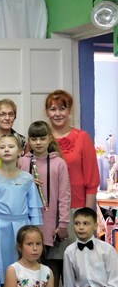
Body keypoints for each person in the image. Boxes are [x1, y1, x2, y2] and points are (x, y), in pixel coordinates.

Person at [0, 135, 43, 283]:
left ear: (20, 151)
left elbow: (33, 207)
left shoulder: (27, 178)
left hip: (23, 226)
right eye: (2, 147)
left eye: (11, 146)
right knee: (1, 263)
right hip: (0, 227)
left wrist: (34, 230)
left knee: (24, 260)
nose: (6, 150)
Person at [19, 120, 70, 287]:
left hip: (51, 224)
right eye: (34, 139)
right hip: (27, 222)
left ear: (49, 139)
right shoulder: (22, 162)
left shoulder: (59, 163)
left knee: (50, 268)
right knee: (29, 267)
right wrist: (26, 181)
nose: (38, 142)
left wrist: (63, 223)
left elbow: (64, 195)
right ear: (29, 141)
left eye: (42, 138)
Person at [45, 89, 100, 237]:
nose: (57, 114)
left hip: (76, 208)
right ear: (47, 112)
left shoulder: (82, 138)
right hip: (47, 210)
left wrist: (87, 215)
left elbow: (92, 180)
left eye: (62, 108)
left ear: (69, 110)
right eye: (53, 109)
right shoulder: (40, 139)